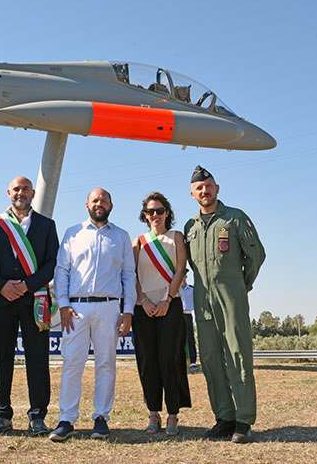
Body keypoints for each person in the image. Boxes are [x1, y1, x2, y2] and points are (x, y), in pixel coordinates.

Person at [184, 166, 266, 444]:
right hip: (202, 301)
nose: (204, 191)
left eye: (209, 186)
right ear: (192, 194)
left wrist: (241, 286)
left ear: (217, 189)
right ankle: (224, 417)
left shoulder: (235, 218)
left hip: (231, 296)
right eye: (199, 188)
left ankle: (244, 419)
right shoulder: (190, 227)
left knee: (237, 355)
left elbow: (256, 255)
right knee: (210, 359)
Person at [48, 188, 136, 442]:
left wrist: (128, 310)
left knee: (106, 363)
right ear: (87, 204)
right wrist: (63, 304)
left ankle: (101, 418)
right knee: (72, 363)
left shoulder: (121, 236)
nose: (99, 204)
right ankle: (66, 419)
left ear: (111, 205)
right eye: (95, 200)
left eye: (104, 200)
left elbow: (128, 275)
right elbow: (62, 271)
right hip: (76, 308)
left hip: (109, 307)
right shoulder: (72, 233)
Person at [0, 176, 59, 436]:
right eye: (16, 189)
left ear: (33, 192)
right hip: (2, 300)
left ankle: (38, 416)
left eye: (25, 189)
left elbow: (52, 262)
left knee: (38, 359)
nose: (21, 193)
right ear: (9, 193)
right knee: (0, 359)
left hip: (35, 299)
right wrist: (1, 286)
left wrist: (28, 285)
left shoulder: (47, 225)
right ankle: (2, 415)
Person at [132, 192, 191, 436]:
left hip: (170, 304)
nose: (155, 215)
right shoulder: (138, 242)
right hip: (143, 308)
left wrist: (167, 299)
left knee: (170, 359)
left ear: (167, 212)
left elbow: (180, 269)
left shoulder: (176, 237)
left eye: (159, 210)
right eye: (150, 211)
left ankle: (173, 414)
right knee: (148, 361)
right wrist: (144, 300)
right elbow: (133, 274)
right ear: (145, 215)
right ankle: (153, 412)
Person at [180, 282, 199, 371]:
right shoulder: (177, 289)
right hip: (178, 314)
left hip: (188, 314)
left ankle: (193, 361)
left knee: (190, 337)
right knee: (178, 338)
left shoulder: (192, 289)